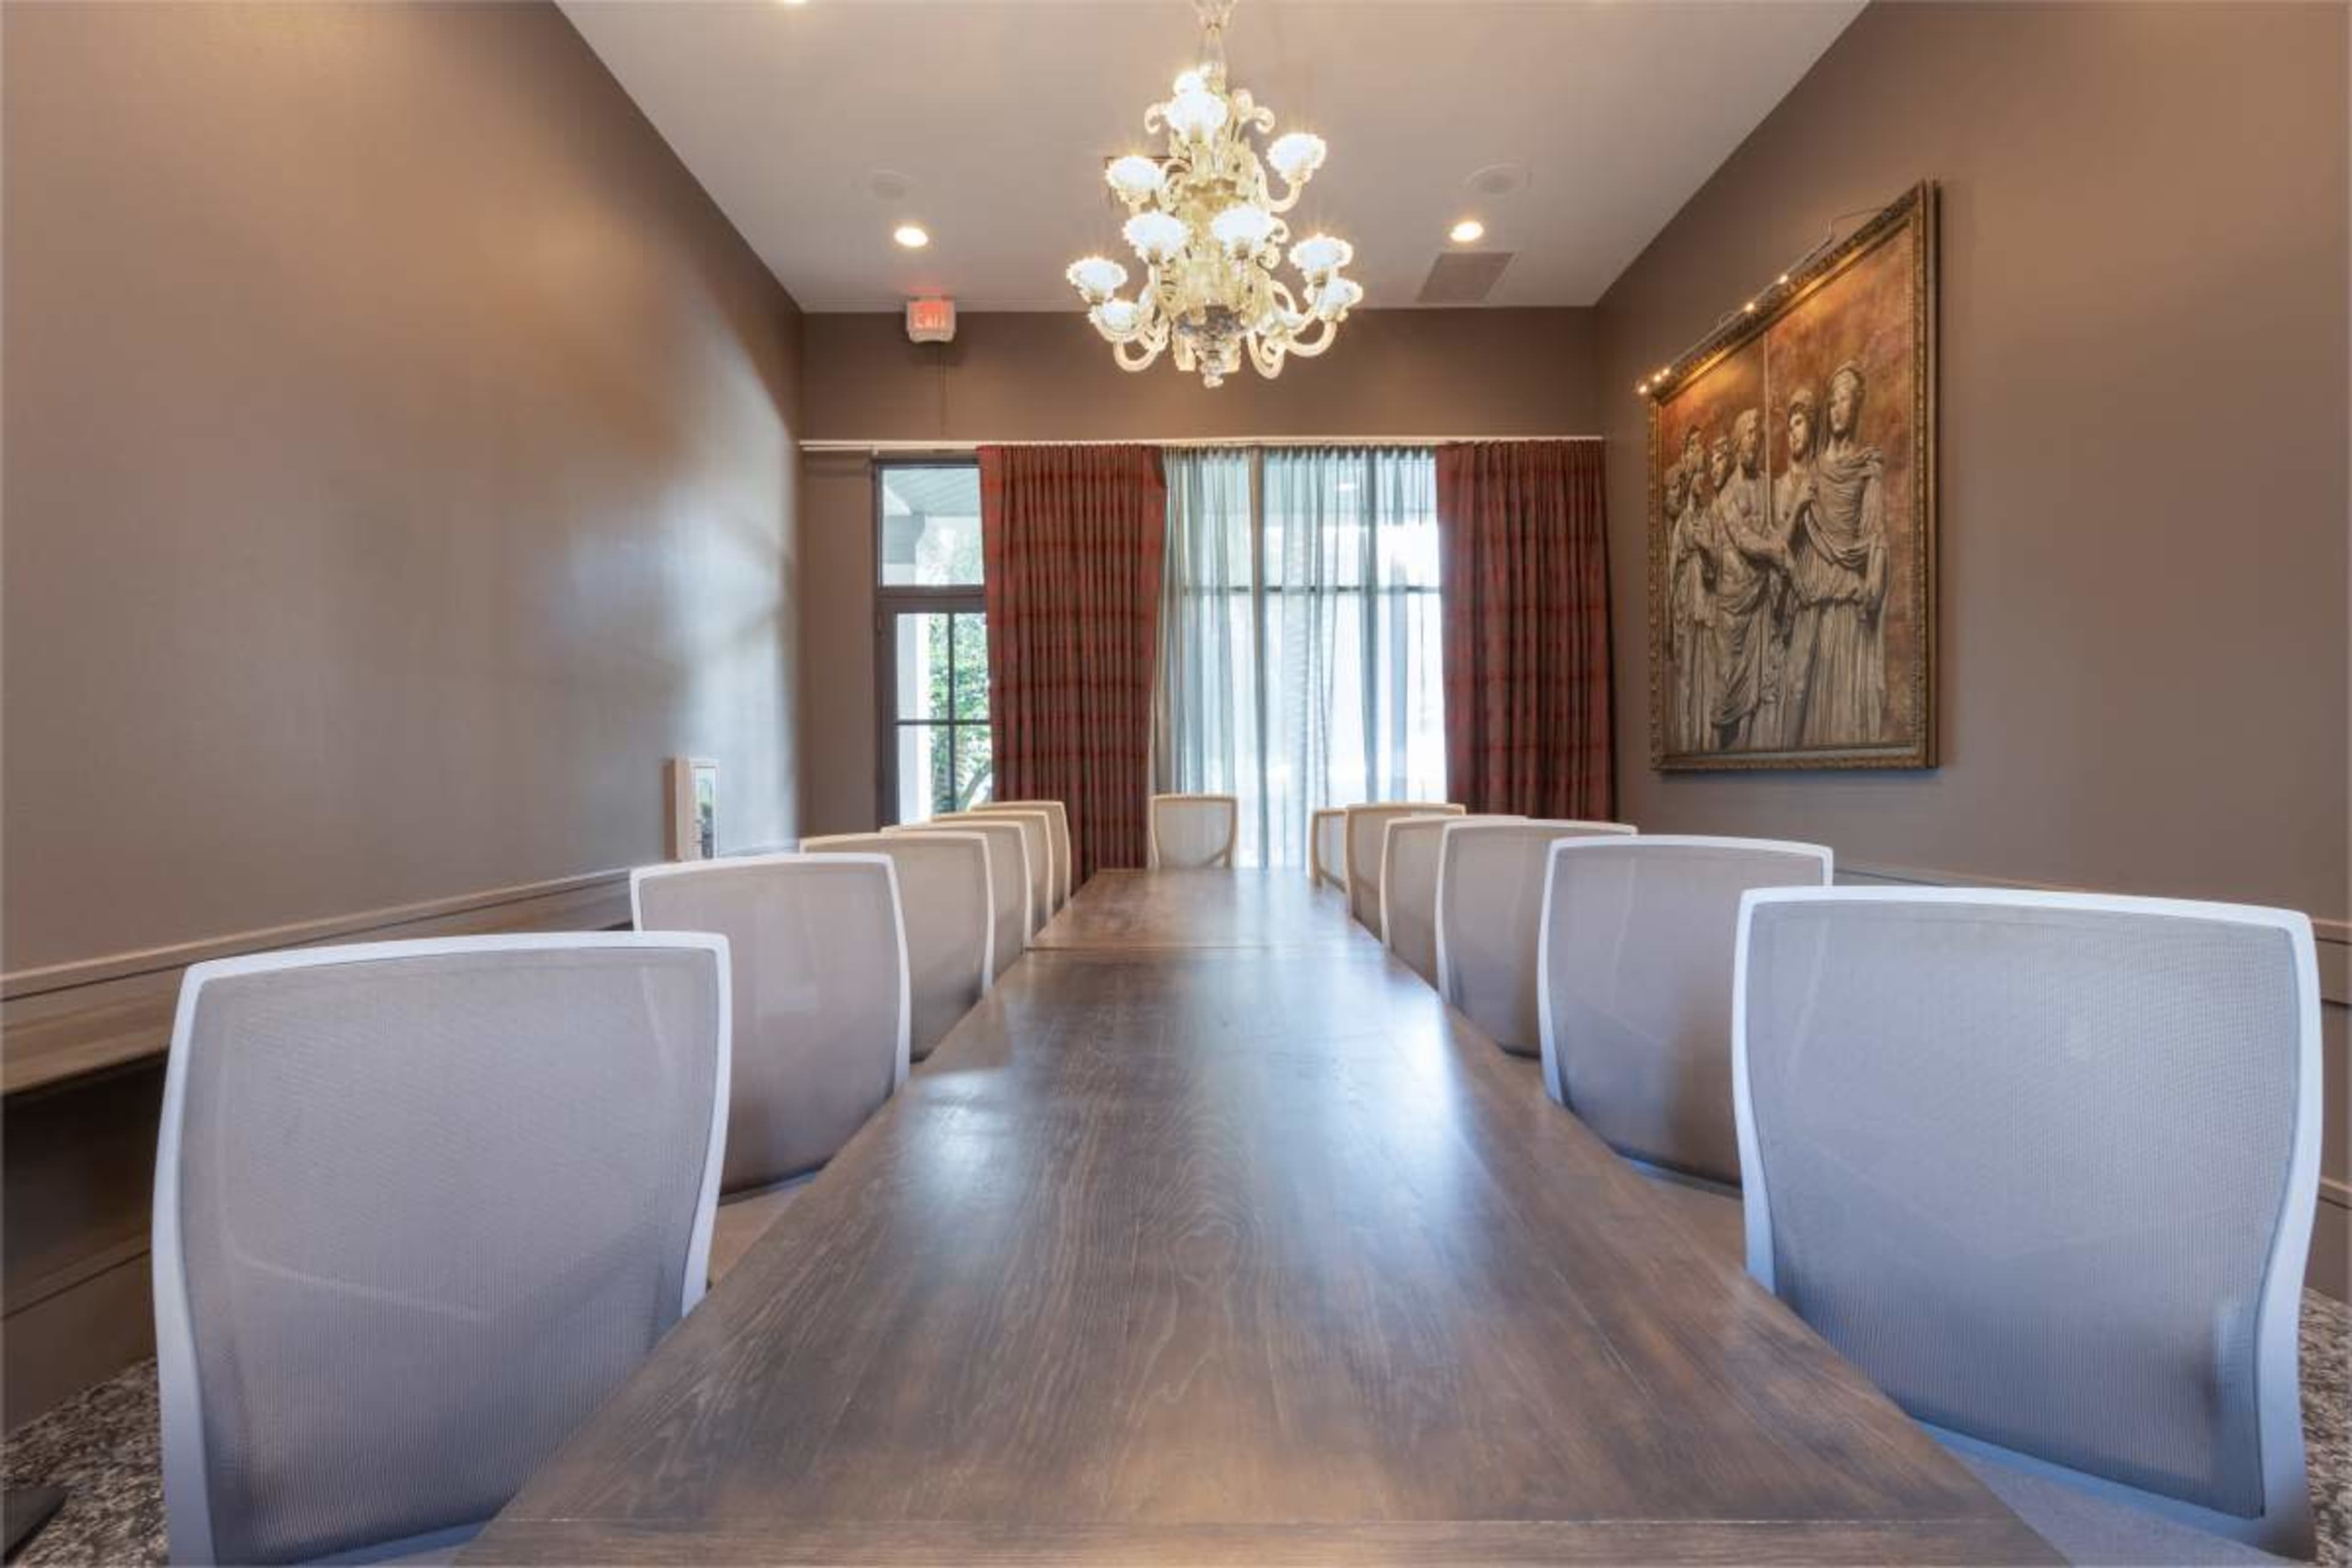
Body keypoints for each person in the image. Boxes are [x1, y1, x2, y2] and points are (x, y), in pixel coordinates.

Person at [1781, 361, 1889, 746]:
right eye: (1833, 402)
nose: (1838, 409)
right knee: (1798, 694)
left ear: (1857, 406)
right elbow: (1785, 543)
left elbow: (1875, 535)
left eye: (1845, 400)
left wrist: (1874, 581)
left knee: (1840, 696)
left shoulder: (1867, 468)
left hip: (1845, 593)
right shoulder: (1814, 471)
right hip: (1812, 592)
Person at [1702, 413, 1788, 750]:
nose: (1755, 439)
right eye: (1749, 434)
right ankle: (1725, 752)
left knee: (1760, 686)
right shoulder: (1726, 497)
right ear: (1738, 442)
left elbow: (1772, 528)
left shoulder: (1768, 486)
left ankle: (1752, 753)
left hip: (1759, 600)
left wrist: (1780, 540)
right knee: (1728, 686)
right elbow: (1744, 539)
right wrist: (1773, 550)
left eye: (1759, 434)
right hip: (1732, 605)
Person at [1663, 459, 1714, 752]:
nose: (1702, 481)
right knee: (1686, 674)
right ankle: (1684, 739)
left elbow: (1714, 570)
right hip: (1685, 602)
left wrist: (1706, 550)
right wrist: (1670, 616)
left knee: (1705, 671)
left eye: (1703, 476)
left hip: (1704, 602)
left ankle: (1704, 739)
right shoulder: (1683, 521)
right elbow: (1672, 570)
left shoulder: (1708, 518)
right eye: (1698, 476)